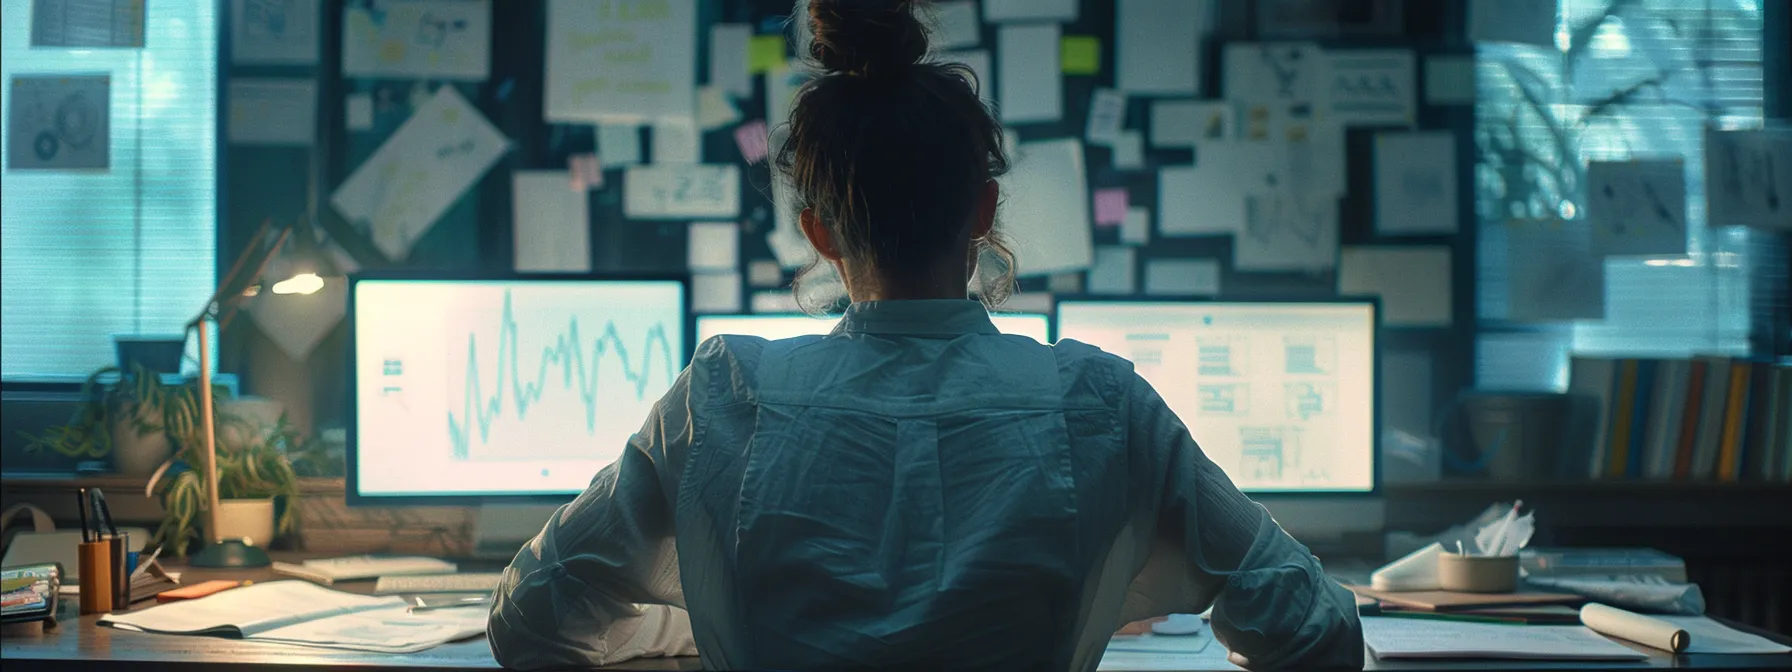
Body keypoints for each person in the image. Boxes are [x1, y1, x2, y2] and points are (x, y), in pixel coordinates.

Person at [486, 1, 1363, 669]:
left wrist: (693, 622)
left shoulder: (722, 396)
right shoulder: (1101, 403)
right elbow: (1316, 634)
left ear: (819, 233)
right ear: (983, 211)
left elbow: (528, 619)